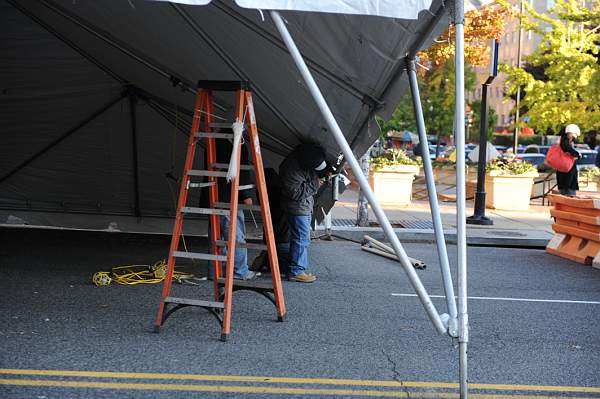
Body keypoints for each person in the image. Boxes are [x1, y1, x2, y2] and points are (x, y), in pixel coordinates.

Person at [205, 133, 256, 281]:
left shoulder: (212, 141)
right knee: (235, 234)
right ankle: (240, 271)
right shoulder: (236, 143)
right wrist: (246, 194)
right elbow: (241, 169)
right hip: (229, 196)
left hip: (213, 194)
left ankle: (214, 271)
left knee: (215, 234)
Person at [279, 143, 327, 283]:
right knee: (301, 238)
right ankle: (296, 271)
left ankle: (294, 268)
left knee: (299, 238)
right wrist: (316, 184)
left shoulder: (302, 159)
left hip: (302, 207)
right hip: (297, 208)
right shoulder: (291, 169)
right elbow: (296, 193)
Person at [556, 123, 582, 197]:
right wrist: (577, 154)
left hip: (564, 170)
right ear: (571, 133)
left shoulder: (565, 140)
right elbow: (568, 148)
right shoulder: (565, 141)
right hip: (567, 170)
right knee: (568, 192)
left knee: (565, 188)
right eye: (575, 135)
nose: (575, 137)